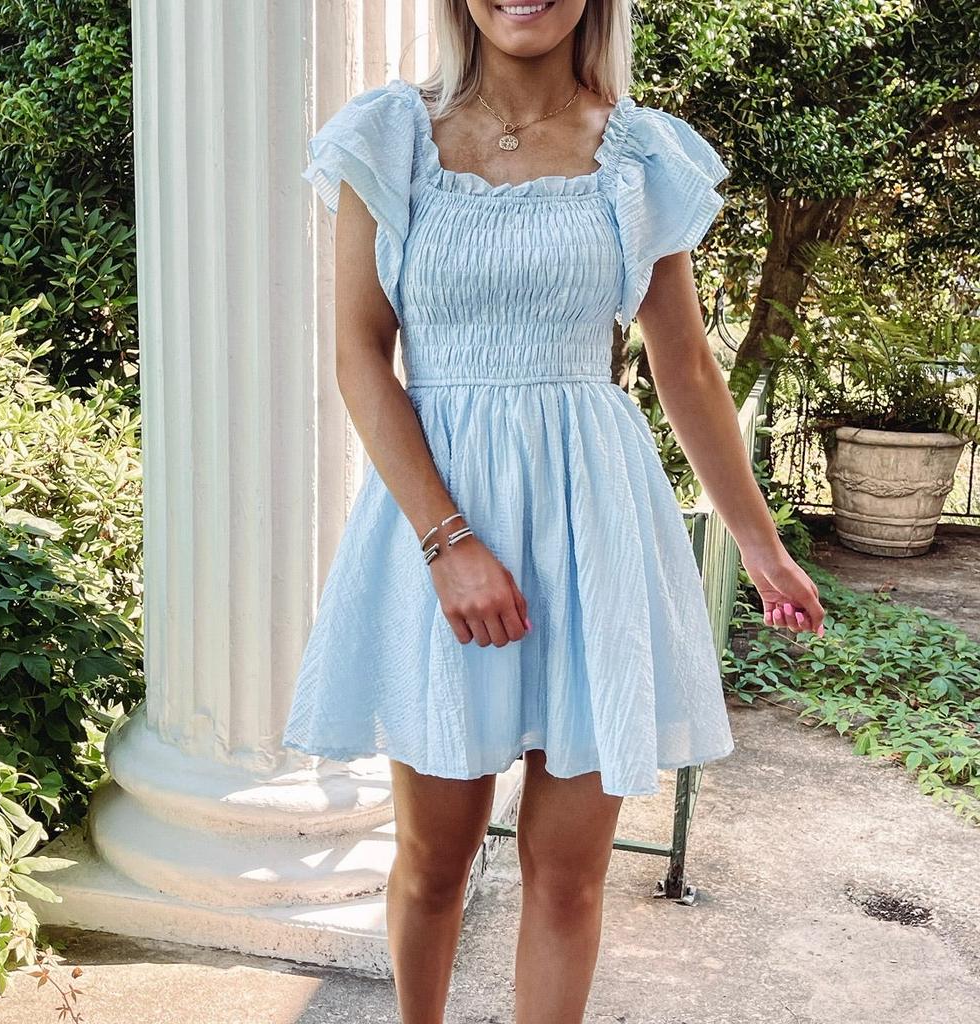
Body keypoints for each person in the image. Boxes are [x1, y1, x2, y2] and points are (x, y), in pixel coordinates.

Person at [284, 1, 827, 1020]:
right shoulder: (391, 136)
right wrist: (448, 541)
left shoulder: (638, 155)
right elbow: (360, 354)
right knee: (434, 860)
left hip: (593, 530)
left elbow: (685, 367)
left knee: (569, 874)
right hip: (439, 521)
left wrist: (761, 548)